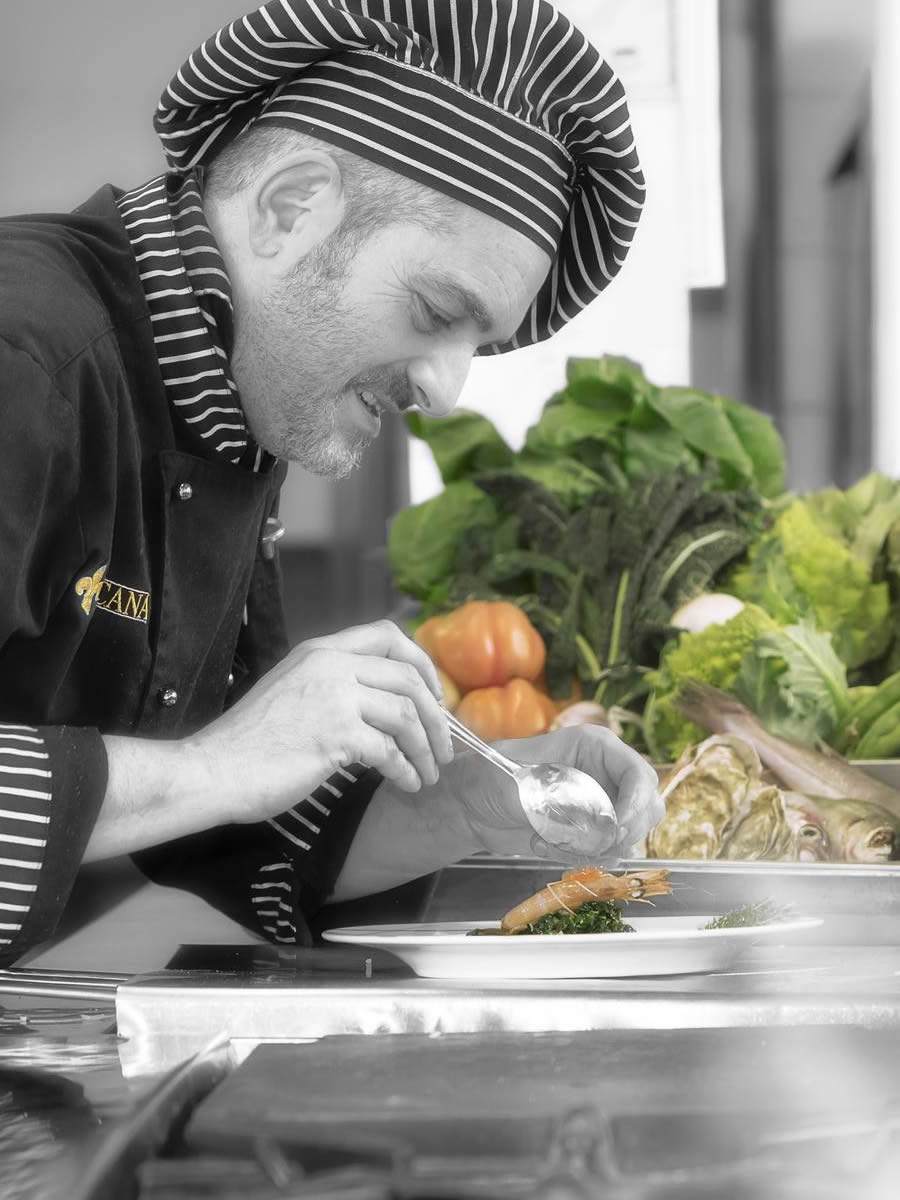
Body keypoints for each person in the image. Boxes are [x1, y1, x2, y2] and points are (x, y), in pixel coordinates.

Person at [0, 0, 662, 964]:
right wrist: (215, 765)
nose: (445, 389)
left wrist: (465, 804)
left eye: (478, 343)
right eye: (435, 311)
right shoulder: (21, 359)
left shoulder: (228, 413)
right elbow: (214, 772)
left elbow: (227, 814)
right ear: (290, 208)